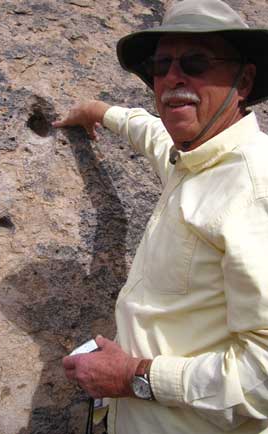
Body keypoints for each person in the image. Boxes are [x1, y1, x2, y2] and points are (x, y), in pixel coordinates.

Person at [53, 0, 268, 433]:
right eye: (160, 65)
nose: (173, 78)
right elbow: (150, 132)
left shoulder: (254, 192)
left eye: (195, 62)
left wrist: (134, 377)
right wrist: (98, 111)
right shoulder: (191, 153)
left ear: (243, 80)